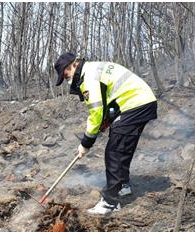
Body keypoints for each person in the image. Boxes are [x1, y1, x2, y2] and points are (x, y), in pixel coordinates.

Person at [54, 52, 158, 215]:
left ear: (74, 64)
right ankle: (123, 186)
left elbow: (96, 112)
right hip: (139, 102)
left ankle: (110, 202)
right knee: (120, 146)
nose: (67, 79)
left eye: (65, 74)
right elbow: (107, 101)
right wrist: (107, 121)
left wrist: (86, 143)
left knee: (114, 152)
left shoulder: (88, 77)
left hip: (135, 103)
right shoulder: (92, 69)